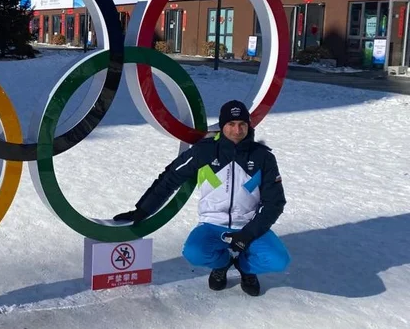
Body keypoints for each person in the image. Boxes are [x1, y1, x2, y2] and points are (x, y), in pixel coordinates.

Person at [113, 100, 290, 296]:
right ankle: (222, 265)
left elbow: (274, 202)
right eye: (231, 124)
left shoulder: (262, 157)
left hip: (248, 224)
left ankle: (245, 268)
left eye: (242, 124)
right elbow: (171, 177)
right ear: (222, 126)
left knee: (278, 260)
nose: (237, 130)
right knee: (194, 252)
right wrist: (144, 209)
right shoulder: (204, 151)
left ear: (249, 126)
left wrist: (248, 233)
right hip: (212, 223)